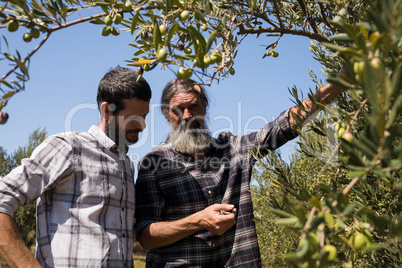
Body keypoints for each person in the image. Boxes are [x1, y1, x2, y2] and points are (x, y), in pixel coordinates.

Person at [134, 76, 346, 267]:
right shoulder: (153, 163)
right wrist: (198, 221)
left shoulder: (232, 150)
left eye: (194, 106)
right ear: (166, 114)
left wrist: (340, 83)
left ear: (205, 107)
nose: (188, 115)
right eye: (178, 110)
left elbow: (283, 125)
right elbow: (145, 237)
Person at [0, 67, 151, 267]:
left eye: (145, 116)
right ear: (107, 110)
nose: (143, 126)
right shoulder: (68, 148)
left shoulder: (126, 165)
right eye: (134, 117)